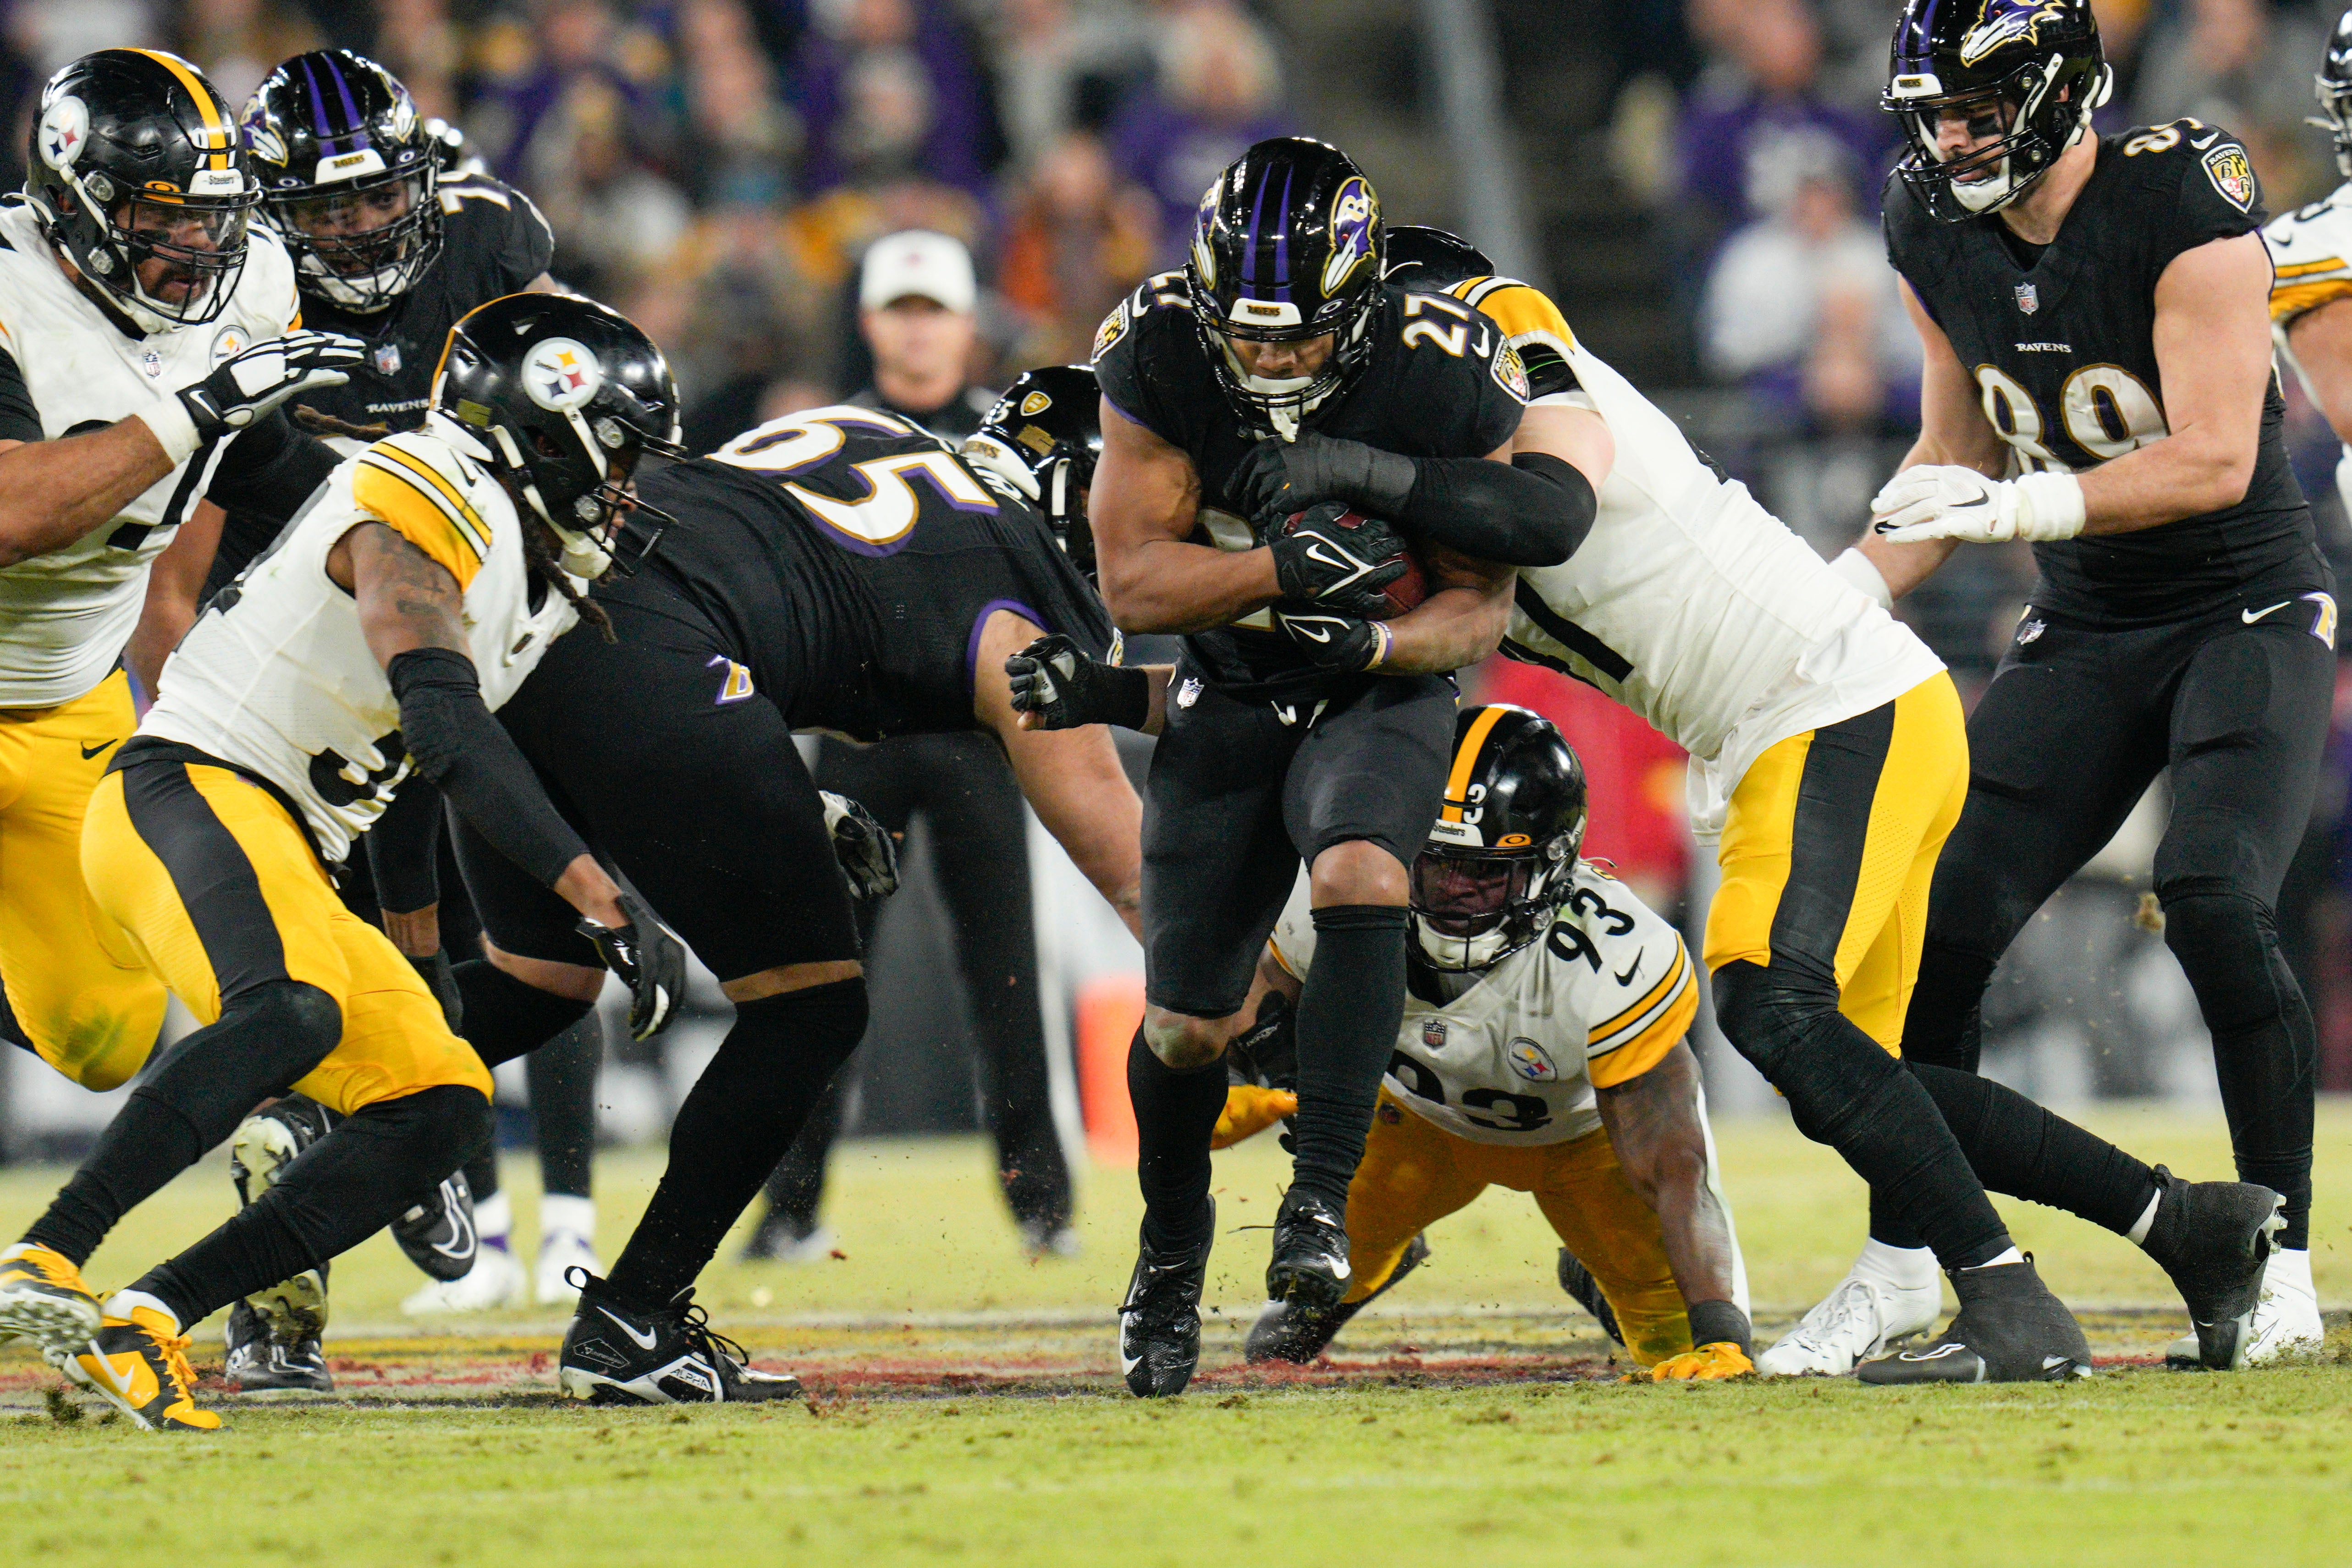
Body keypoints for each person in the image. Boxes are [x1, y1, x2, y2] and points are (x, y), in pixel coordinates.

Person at [1036, 220, 2288, 1382]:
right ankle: (2185, 1224)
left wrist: (1358, 472)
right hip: (1798, 717)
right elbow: (1286, 669)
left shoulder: (1505, 365)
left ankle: (2010, 1295)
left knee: (1767, 1001)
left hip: (1826, 703)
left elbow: (1546, 507)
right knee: (1853, 1066)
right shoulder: (1432, 431)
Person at [0, 291, 688, 1431]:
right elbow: (445, 727)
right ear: (539, 429)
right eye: (615, 455)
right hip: (189, 785)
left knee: (442, 1101)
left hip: (295, 837)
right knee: (293, 1010)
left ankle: (147, 1319)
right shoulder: (427, 484)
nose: (626, 488)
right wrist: (602, 900)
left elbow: (418, 759)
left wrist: (419, 945)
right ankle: (44, 1257)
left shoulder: (532, 560)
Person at [424, 378, 1151, 1405]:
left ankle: (309, 1092)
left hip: (524, 616)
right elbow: (1128, 867)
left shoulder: (868, 431)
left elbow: (760, 581)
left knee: (536, 982)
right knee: (812, 1008)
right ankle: (635, 1312)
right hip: (652, 667)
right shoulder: (1013, 581)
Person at [1081, 137, 1593, 1399]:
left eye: (1297, 337)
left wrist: (1364, 633)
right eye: (1244, 336)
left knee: (1365, 868)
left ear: (1360, 306)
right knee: (1188, 1026)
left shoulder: (1437, 370)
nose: (1266, 361)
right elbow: (1134, 579)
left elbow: (1476, 612)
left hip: (1381, 682)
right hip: (1229, 686)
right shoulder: (1153, 347)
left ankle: (1318, 1201)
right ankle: (1166, 1250)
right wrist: (1282, 575)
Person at [1857, 0, 2327, 1368]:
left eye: (1977, 111)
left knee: (2213, 895)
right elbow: (1949, 455)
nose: (1950, 138)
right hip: (2088, 619)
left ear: (2060, 97)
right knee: (1931, 929)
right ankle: (1915, 1261)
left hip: (2239, 600)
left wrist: (2032, 507)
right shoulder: (1925, 222)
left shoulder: (2177, 194)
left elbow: (2211, 462)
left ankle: (2279, 1250)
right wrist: (1824, 608)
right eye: (1933, 112)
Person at [180, 51, 596, 1361]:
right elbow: (178, 528)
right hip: (296, 666)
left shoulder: (487, 243)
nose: (359, 228)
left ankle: (415, 1140)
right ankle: (286, 1292)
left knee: (498, 946)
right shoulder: (222, 296)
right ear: (266, 209)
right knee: (298, 998)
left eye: (376, 200)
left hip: (468, 646)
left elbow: (577, 401)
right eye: (324, 207)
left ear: (425, 180)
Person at [0, 44, 364, 1379]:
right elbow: (12, 511)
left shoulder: (250, 278)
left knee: (98, 1038)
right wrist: (192, 407)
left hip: (61, 696)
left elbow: (246, 459)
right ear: (77, 205)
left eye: (209, 219)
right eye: (158, 222)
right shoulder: (9, 295)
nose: (192, 250)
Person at [1228, 706, 1754, 1380]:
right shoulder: (1346, 884)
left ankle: (1596, 1274)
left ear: (1552, 864)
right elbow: (1257, 994)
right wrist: (1264, 1067)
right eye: (1437, 863)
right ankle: (1384, 1251)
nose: (1454, 894)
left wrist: (1720, 1325)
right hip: (1411, 1125)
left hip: (1581, 1147)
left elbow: (1678, 1167)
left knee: (1681, 1348)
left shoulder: (1616, 956)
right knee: (1280, 1342)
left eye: (1485, 872)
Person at [748, 235, 1081, 1262]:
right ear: (871, 321)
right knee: (825, 975)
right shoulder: (819, 436)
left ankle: (1043, 1209)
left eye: (933, 309)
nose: (918, 327)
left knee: (1010, 975)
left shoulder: (1011, 440)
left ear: (966, 321)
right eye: (901, 309)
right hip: (861, 732)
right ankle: (792, 1207)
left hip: (984, 736)